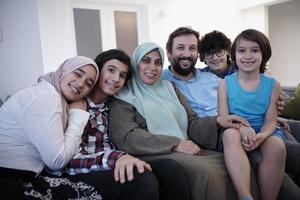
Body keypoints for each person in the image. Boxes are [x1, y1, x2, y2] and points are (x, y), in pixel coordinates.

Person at [162, 26, 300, 198]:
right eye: (180, 48)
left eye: (192, 48)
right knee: (286, 154)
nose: (187, 53)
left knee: (293, 132)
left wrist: (271, 110)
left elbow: (244, 92)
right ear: (168, 52)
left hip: (257, 123)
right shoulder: (162, 82)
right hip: (223, 129)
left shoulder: (210, 77)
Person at [109, 42, 255, 200]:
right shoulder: (123, 95)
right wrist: (176, 144)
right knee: (205, 172)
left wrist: (219, 120)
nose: (153, 67)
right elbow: (128, 137)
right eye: (146, 61)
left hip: (185, 147)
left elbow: (191, 122)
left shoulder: (169, 87)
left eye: (158, 63)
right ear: (135, 63)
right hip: (153, 153)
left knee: (233, 165)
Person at [59, 49, 190, 200]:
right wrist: (117, 158)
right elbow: (68, 160)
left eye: (122, 75)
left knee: (171, 169)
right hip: (84, 171)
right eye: (111, 70)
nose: (116, 79)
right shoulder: (76, 105)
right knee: (141, 179)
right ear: (97, 71)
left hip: (115, 162)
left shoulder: (114, 105)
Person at [0, 56, 102, 199]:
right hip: (10, 179)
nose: (80, 84)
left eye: (88, 83)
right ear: (63, 71)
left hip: (24, 174)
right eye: (77, 74)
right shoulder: (47, 96)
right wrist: (78, 115)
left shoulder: (53, 95)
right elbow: (57, 161)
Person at [218, 29, 286, 200]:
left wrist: (261, 136)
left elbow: (271, 121)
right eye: (242, 50)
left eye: (255, 50)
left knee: (277, 146)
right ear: (233, 55)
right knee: (230, 135)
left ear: (264, 54)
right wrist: (240, 127)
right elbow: (222, 118)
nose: (248, 55)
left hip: (264, 130)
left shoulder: (273, 84)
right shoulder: (225, 84)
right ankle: (245, 196)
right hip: (236, 129)